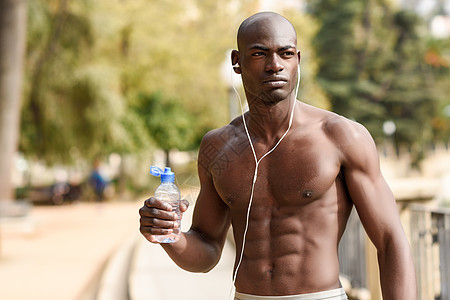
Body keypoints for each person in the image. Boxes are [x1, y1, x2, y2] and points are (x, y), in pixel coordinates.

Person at [139, 12, 417, 300]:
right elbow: (207, 251)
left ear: (298, 59)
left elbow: (390, 240)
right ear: (237, 61)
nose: (274, 66)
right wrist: (169, 235)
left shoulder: (341, 136)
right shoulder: (218, 146)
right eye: (259, 54)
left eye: (285, 54)